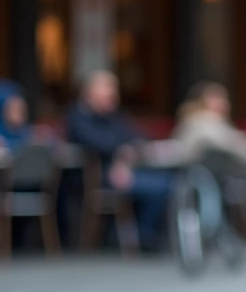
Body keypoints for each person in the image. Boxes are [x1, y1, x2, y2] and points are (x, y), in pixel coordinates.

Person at [66, 70, 171, 252]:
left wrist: (127, 153)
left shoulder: (114, 116)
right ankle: (144, 236)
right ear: (89, 93)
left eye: (113, 92)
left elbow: (139, 137)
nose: (111, 96)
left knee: (167, 182)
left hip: (122, 171)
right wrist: (122, 152)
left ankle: (145, 234)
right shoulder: (77, 116)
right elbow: (97, 143)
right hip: (92, 177)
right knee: (160, 187)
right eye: (106, 92)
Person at [173, 81, 246, 163]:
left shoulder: (221, 121)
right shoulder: (198, 121)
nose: (223, 102)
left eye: (224, 98)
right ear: (202, 101)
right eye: (216, 98)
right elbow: (224, 142)